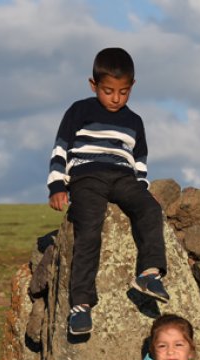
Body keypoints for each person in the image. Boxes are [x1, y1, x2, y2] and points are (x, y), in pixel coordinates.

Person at [47, 47, 169, 335]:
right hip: (86, 176)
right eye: (108, 90)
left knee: (151, 209)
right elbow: (60, 148)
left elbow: (139, 159)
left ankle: (149, 273)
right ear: (93, 85)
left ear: (132, 87)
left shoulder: (134, 121)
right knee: (89, 228)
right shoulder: (79, 110)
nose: (115, 98)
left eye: (123, 92)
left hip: (123, 177)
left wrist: (142, 188)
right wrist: (56, 185)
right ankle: (81, 305)